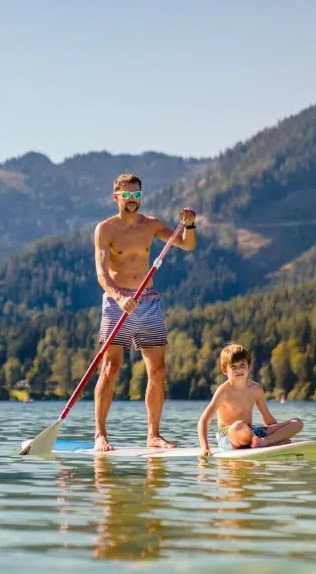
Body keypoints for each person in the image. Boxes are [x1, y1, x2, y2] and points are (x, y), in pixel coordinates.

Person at [93, 173, 197, 452]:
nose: (132, 200)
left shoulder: (151, 225)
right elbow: (102, 273)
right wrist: (117, 296)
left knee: (158, 370)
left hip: (148, 300)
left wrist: (189, 225)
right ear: (116, 197)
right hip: (117, 302)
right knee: (111, 368)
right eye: (127, 196)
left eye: (136, 195)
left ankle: (154, 435)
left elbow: (187, 244)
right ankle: (100, 435)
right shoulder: (105, 229)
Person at [198, 343, 304, 455]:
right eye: (233, 366)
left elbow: (268, 419)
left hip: (253, 431)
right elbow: (203, 421)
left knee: (297, 422)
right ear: (225, 370)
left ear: (249, 366)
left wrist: (278, 433)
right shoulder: (223, 392)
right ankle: (270, 442)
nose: (239, 370)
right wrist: (205, 447)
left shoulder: (256, 389)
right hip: (229, 435)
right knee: (239, 426)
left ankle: (266, 442)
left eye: (242, 365)